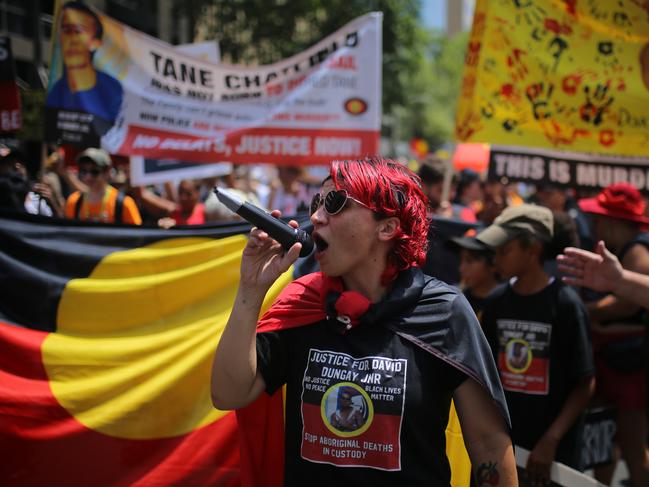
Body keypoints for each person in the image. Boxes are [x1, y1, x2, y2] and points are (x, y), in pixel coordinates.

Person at [211, 157, 517, 485]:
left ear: (387, 227)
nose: (315, 217)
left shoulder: (444, 312)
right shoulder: (303, 303)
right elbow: (229, 394)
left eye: (335, 203)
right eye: (316, 203)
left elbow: (488, 444)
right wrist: (250, 290)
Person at [477, 204, 595, 484]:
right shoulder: (496, 302)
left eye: (504, 251)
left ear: (533, 251)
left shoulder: (566, 304)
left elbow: (585, 381)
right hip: (505, 445)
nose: (496, 260)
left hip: (552, 454)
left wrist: (551, 439)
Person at [576, 183, 649, 487]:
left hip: (630, 364)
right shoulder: (628, 247)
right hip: (615, 359)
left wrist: (589, 310)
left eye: (601, 219)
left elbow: (632, 298)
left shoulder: (638, 249)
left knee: (632, 442)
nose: (595, 225)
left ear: (616, 221)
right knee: (605, 439)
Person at [46, 1, 123, 123]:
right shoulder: (55, 93)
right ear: (60, 38)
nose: (72, 40)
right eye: (67, 30)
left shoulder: (113, 91)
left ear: (95, 43)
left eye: (79, 32)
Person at [558, 241, 649, 309]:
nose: (595, 228)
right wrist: (618, 280)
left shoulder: (637, 249)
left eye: (597, 222)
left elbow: (627, 307)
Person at [65, 148, 142, 225]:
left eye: (94, 172)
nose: (88, 177)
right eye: (84, 171)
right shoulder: (73, 202)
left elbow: (137, 234)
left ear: (107, 171)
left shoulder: (124, 203)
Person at [447, 233, 500, 317]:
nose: (461, 268)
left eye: (469, 261)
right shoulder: (452, 298)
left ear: (493, 263)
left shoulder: (504, 303)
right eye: (461, 260)